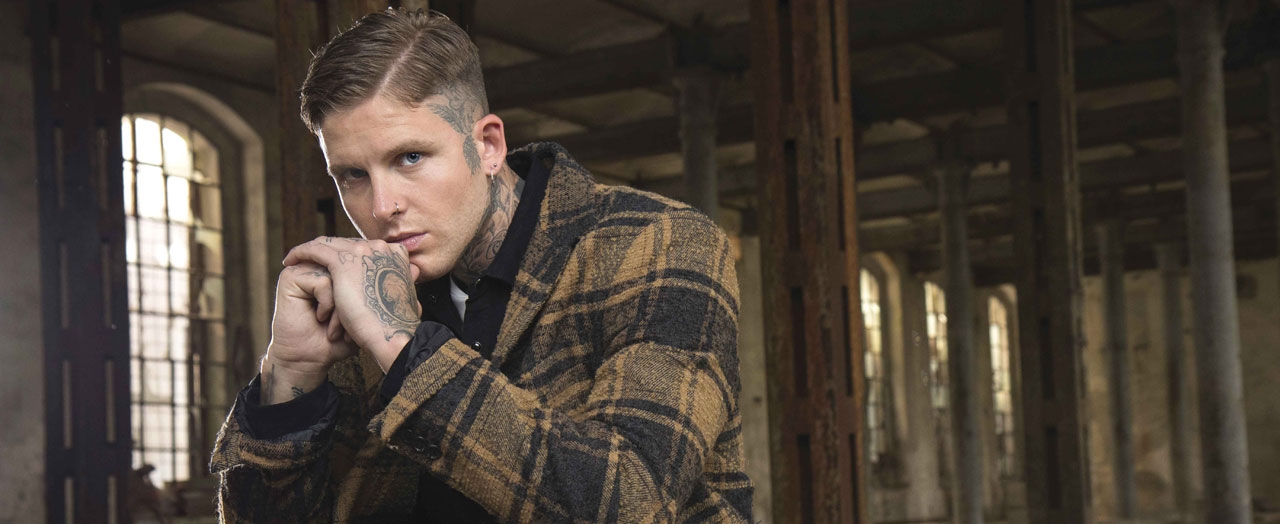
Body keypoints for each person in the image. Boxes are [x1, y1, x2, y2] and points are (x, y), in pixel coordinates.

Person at [210, 7, 751, 523]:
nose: (381, 207)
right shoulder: (364, 293)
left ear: (489, 146)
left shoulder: (661, 243)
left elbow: (632, 505)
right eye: (353, 175)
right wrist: (291, 377)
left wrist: (405, 349)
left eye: (410, 158)